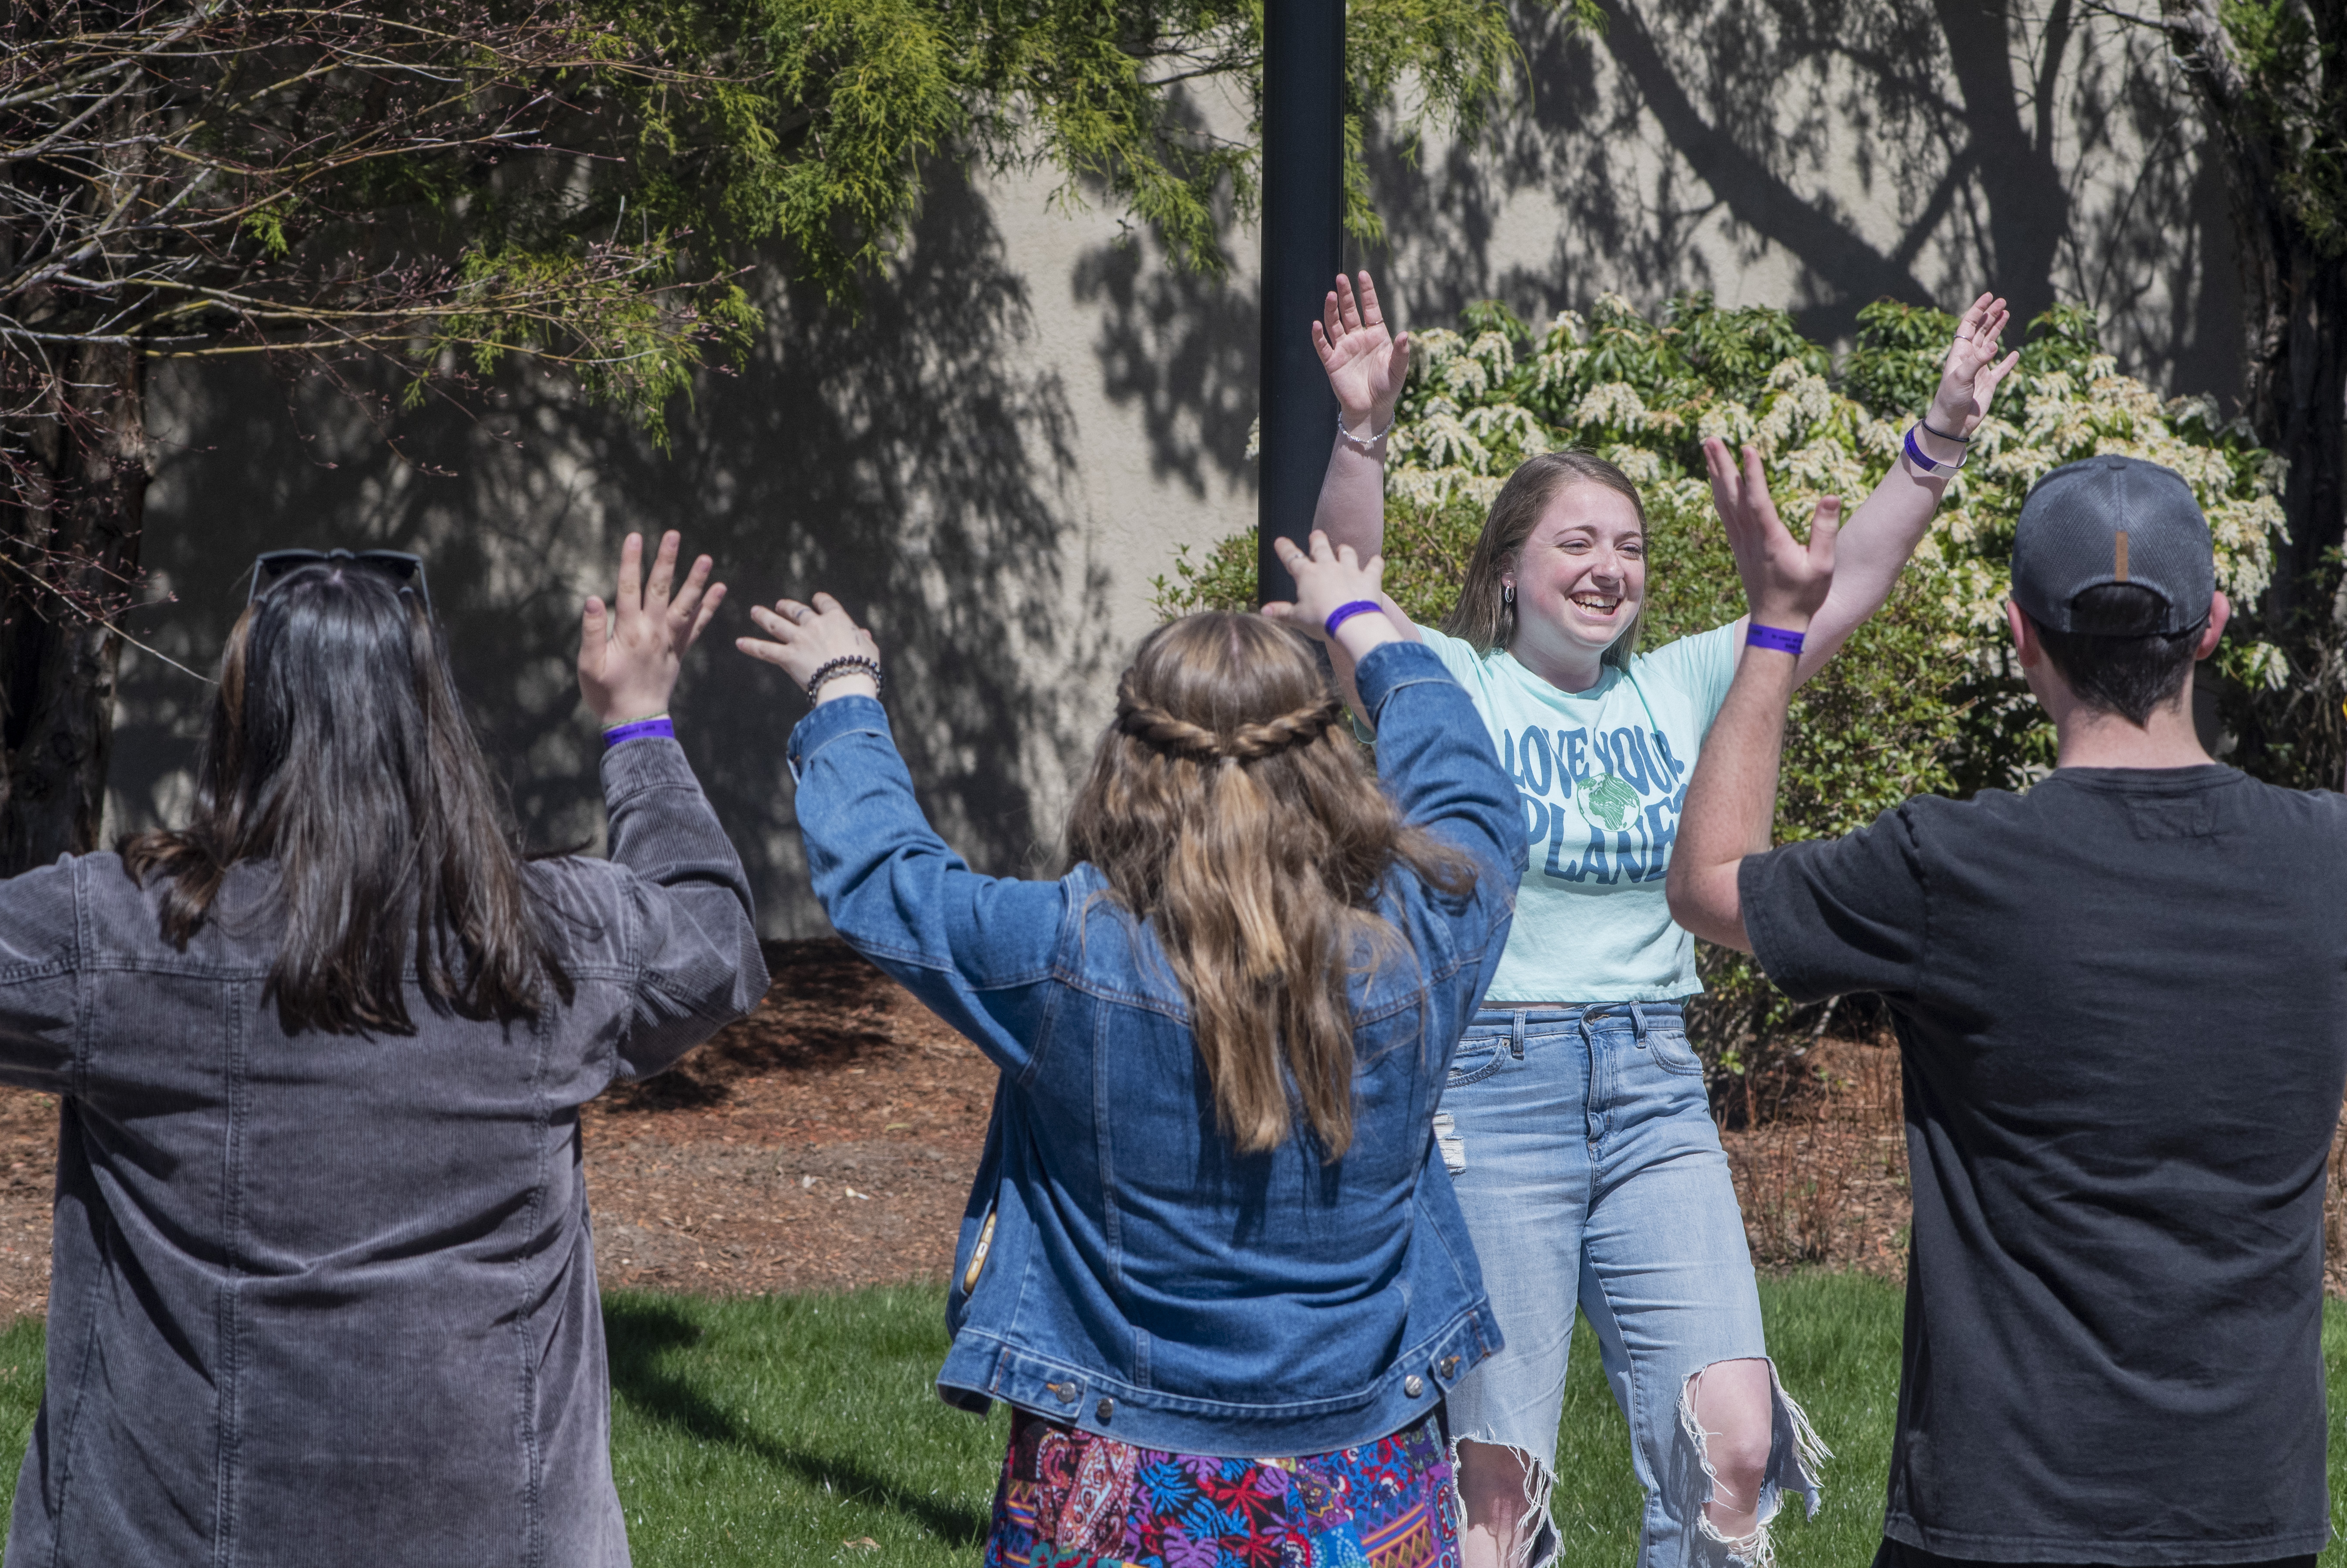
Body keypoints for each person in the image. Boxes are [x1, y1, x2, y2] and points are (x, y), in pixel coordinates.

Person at [1305, 270, 2021, 1568]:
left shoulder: (1682, 683)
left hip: (1649, 1082)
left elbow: (1832, 582)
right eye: (1575, 542)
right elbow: (1342, 591)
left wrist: (1942, 435)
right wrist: (1361, 430)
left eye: (1628, 544)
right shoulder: (1449, 682)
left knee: (1731, 1442)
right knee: (1493, 1492)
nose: (1609, 566)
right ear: (1506, 571)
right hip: (1487, 1088)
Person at [741, 532, 1526, 1567]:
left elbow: (888, 878)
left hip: (1115, 1477)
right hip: (1362, 1471)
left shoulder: (1060, 958)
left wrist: (844, 691)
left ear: (1129, 764)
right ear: (1329, 760)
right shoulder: (1424, 937)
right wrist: (1365, 626)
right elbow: (1479, 803)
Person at [0, 535, 767, 1566]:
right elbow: (715, 946)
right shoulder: (548, 938)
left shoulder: (125, 933)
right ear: (429, 723)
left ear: (241, 719)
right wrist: (638, 726)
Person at [1668, 452, 2344, 1568]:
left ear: (2021, 635)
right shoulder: (2324, 857)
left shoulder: (1950, 864)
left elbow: (1708, 882)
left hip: (1999, 1511)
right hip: (2244, 1513)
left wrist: (1776, 628)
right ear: (2211, 625)